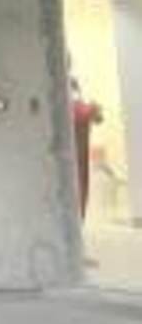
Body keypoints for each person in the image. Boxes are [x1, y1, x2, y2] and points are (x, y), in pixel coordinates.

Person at [71, 77, 104, 220]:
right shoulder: (80, 108)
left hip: (74, 158)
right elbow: (97, 117)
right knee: (78, 187)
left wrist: (94, 109)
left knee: (78, 187)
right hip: (75, 158)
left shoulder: (78, 107)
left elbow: (98, 118)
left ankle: (77, 220)